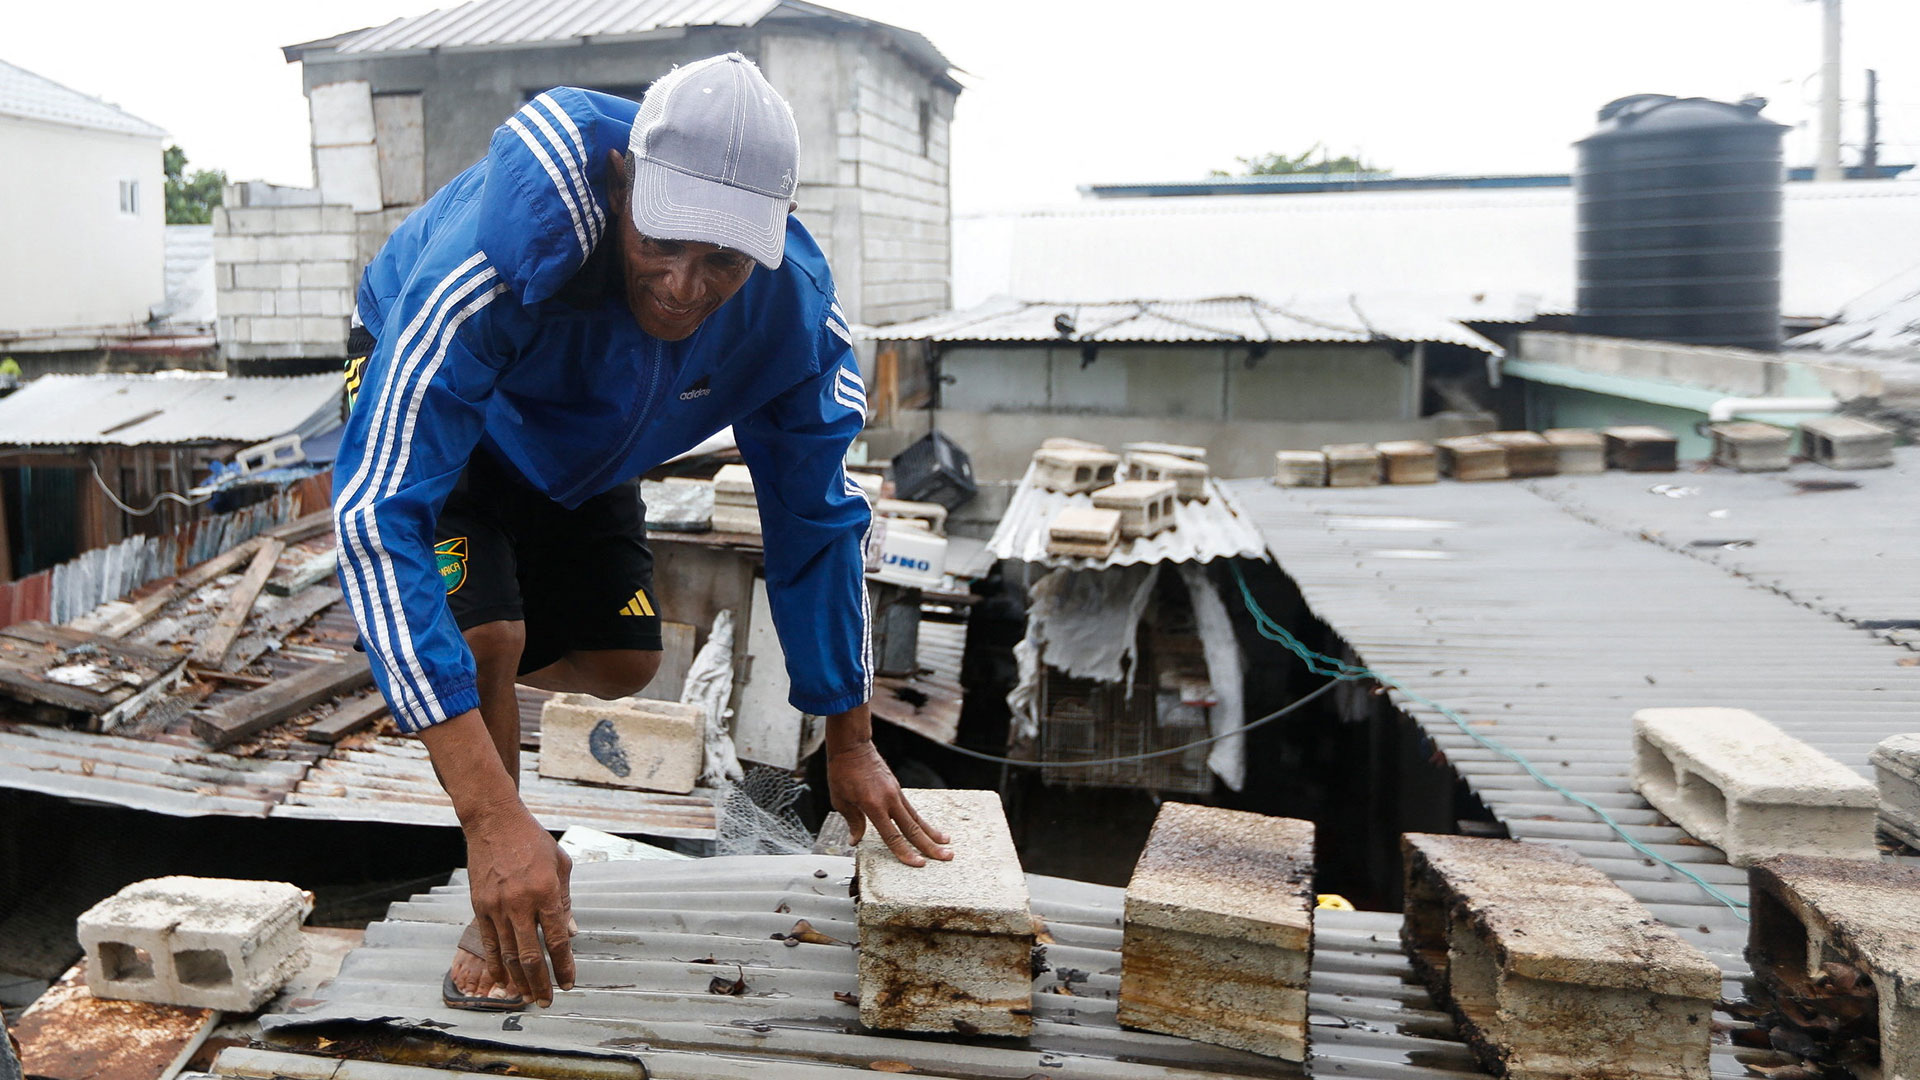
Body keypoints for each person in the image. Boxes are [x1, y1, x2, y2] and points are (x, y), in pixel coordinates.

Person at [332, 54, 951, 1013]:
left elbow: (818, 523)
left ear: (773, 234)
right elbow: (376, 511)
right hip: (449, 404)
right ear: (623, 183)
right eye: (662, 241)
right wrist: (491, 813)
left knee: (625, 661)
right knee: (485, 636)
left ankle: (438, 658)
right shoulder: (491, 263)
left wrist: (851, 739)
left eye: (723, 260)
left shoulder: (795, 319)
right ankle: (494, 873)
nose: (683, 284)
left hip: (585, 433)